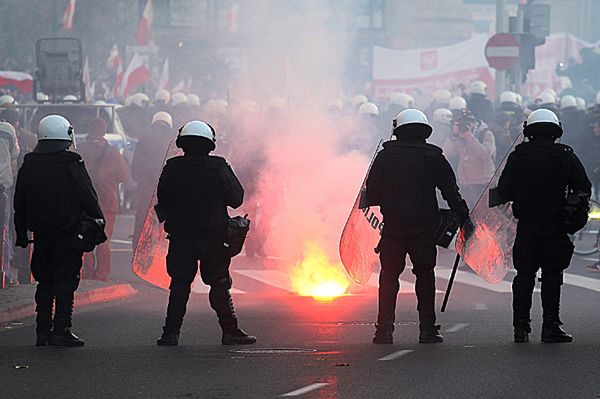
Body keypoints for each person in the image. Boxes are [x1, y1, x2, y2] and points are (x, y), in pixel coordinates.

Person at [365, 109, 469, 344]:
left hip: (393, 227)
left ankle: (383, 331)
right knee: (425, 275)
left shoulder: (385, 156)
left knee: (389, 276)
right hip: (424, 228)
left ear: (398, 129)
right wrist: (464, 218)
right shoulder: (434, 157)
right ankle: (427, 329)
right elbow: (451, 193)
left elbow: (371, 191)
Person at [155, 120, 256, 346]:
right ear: (210, 143)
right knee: (219, 283)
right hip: (214, 238)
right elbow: (236, 198)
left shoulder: (172, 167)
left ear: (182, 142)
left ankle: (170, 334)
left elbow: (163, 198)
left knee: (180, 284)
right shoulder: (219, 167)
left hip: (181, 237)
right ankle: (230, 332)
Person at [495, 109, 591, 343]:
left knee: (524, 275)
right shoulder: (565, 155)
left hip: (526, 226)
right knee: (552, 274)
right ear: (555, 129)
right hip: (555, 224)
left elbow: (504, 191)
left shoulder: (518, 156)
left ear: (529, 129)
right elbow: (583, 188)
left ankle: (520, 326)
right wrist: (572, 215)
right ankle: (550, 326)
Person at [14, 115, 105, 347]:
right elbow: (88, 196)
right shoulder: (72, 162)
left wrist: (21, 234)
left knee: (44, 282)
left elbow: (20, 201)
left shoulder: (29, 163)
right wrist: (97, 219)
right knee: (65, 282)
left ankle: (42, 332)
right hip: (68, 233)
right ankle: (61, 330)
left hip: (41, 235)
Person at [78, 117, 129, 281]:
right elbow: (124, 175)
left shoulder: (80, 150)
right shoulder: (113, 153)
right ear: (104, 132)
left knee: (86, 238)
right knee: (103, 239)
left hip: (85, 202)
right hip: (107, 201)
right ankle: (101, 274)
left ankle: (87, 273)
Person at [131, 111, 175, 249]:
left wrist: (140, 179)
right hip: (167, 187)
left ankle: (138, 248)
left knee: (143, 217)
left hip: (145, 186)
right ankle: (162, 249)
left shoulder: (143, 139)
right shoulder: (173, 140)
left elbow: (135, 165)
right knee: (167, 219)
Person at [443, 108, 496, 208]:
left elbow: (485, 154)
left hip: (481, 184)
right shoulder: (459, 136)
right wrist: (453, 135)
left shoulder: (485, 134)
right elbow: (448, 152)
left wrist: (470, 137)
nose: (465, 126)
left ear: (475, 123)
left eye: (468, 123)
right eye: (462, 124)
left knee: (481, 214)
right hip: (465, 184)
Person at [0, 122, 19, 285]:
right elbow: (14, 155)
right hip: (3, 187)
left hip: (4, 186)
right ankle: (3, 273)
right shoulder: (7, 129)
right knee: (3, 232)